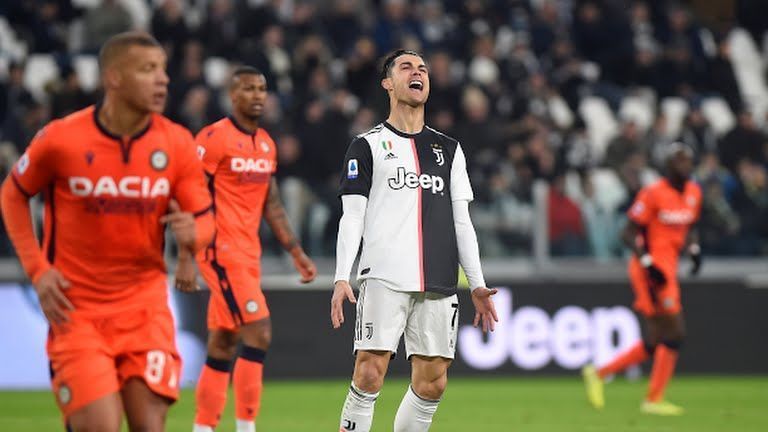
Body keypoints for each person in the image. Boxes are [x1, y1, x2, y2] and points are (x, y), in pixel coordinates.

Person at [0, 31, 215, 431]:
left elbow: (203, 220)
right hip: (77, 311)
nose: (163, 79)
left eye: (164, 70)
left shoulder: (176, 143)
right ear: (114, 78)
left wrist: (194, 238)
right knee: (100, 425)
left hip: (146, 309)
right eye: (148, 69)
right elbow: (12, 194)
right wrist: (37, 270)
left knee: (148, 426)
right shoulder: (61, 139)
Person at [331, 49, 499, 432]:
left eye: (422, 68)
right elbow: (352, 215)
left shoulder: (449, 150)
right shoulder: (367, 145)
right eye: (406, 67)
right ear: (388, 83)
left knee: (433, 382)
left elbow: (462, 222)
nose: (417, 72)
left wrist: (476, 283)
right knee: (370, 373)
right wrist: (343, 275)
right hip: (385, 275)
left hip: (438, 278)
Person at [179, 66, 318, 432]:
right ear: (232, 95)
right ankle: (246, 427)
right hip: (218, 250)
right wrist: (184, 258)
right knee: (260, 331)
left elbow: (270, 203)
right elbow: (187, 195)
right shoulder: (213, 138)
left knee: (223, 342)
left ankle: (203, 427)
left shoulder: (267, 143)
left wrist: (296, 251)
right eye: (249, 89)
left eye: (262, 88)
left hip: (247, 251)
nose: (258, 95)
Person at [582, 143, 703, 416]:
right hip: (649, 271)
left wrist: (694, 250)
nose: (686, 165)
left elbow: (691, 226)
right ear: (668, 165)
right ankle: (653, 399)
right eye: (680, 161)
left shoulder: (694, 192)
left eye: (688, 160)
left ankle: (599, 373)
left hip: (668, 269)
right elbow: (627, 233)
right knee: (675, 332)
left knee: (657, 338)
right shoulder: (653, 193)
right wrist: (648, 262)